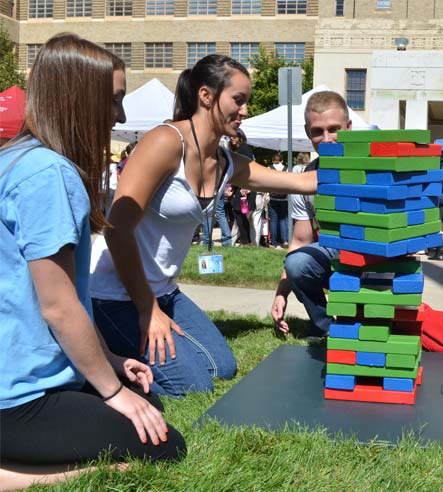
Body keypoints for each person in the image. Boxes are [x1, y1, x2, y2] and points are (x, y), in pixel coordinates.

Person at [0, 34, 185, 492]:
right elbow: (59, 307)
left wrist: (109, 359)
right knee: (164, 445)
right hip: (16, 399)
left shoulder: (17, 159)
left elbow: (68, 299)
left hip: (22, 380)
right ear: (79, 99)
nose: (120, 116)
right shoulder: (50, 174)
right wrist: (112, 390)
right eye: (115, 100)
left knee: (146, 399)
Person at [90, 54, 316, 396]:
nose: (244, 111)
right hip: (115, 294)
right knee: (192, 387)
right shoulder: (166, 142)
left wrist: (364, 168)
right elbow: (116, 229)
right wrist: (147, 310)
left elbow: (297, 182)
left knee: (221, 367)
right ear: (206, 96)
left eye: (246, 102)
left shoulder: (226, 162)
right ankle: (96, 361)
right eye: (237, 101)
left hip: (165, 292)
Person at [271, 91, 352, 338]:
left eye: (334, 129)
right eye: (318, 131)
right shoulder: (306, 177)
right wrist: (281, 293)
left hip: (376, 259)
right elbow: (299, 242)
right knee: (297, 262)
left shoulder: (373, 166)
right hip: (335, 257)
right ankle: (326, 328)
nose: (326, 139)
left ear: (349, 127)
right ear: (308, 133)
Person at [268, 153, 289, 249]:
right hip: (284, 198)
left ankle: (274, 242)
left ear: (273, 160)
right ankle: (285, 240)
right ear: (282, 160)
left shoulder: (269, 168)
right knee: (283, 220)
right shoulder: (286, 169)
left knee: (273, 220)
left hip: (273, 198)